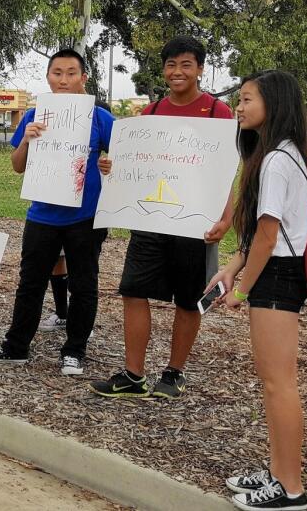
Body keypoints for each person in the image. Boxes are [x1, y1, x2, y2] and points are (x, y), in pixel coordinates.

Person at [90, 35, 234, 399]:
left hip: (195, 224)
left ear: (200, 69)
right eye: (171, 65)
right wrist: (111, 165)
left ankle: (174, 373)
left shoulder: (219, 114)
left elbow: (226, 173)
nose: (177, 71)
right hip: (150, 220)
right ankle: (133, 375)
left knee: (189, 299)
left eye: (186, 64)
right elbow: (132, 167)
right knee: (133, 291)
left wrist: (226, 218)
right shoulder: (149, 114)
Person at [209, 71, 307, 511]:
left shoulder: (275, 160)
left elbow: (269, 238)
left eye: (247, 99)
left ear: (274, 103)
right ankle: (276, 473)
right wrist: (233, 267)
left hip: (277, 275)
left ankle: (290, 489)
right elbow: (259, 237)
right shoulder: (281, 155)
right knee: (273, 383)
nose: (240, 106)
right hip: (274, 271)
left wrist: (242, 287)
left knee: (278, 384)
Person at [0, 49, 113, 375]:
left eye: (71, 73)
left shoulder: (100, 118)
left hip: (85, 216)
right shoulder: (35, 115)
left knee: (84, 283)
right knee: (30, 284)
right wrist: (27, 141)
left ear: (83, 78)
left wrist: (109, 163)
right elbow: (18, 166)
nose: (63, 80)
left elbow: (121, 156)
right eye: (57, 73)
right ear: (48, 77)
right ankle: (16, 347)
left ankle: (74, 351)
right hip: (42, 215)